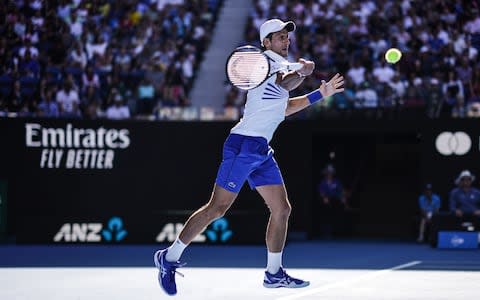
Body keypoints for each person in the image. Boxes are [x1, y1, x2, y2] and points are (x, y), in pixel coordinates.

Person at [153, 18, 345, 296]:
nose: (285, 41)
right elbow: (287, 84)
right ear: (266, 43)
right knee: (217, 208)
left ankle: (273, 273)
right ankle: (168, 258)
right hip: (242, 146)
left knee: (282, 209)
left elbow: (284, 107)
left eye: (286, 37)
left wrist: (319, 93)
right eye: (279, 37)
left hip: (260, 150)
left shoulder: (279, 66)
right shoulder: (265, 63)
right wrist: (303, 72)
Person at [317, 164, 350, 238]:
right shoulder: (323, 182)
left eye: (330, 172)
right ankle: (326, 232)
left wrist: (345, 194)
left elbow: (341, 191)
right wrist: (324, 198)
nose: (329, 174)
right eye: (328, 172)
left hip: (336, 203)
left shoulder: (336, 181)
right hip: (326, 204)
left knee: (343, 201)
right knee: (326, 209)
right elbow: (321, 193)